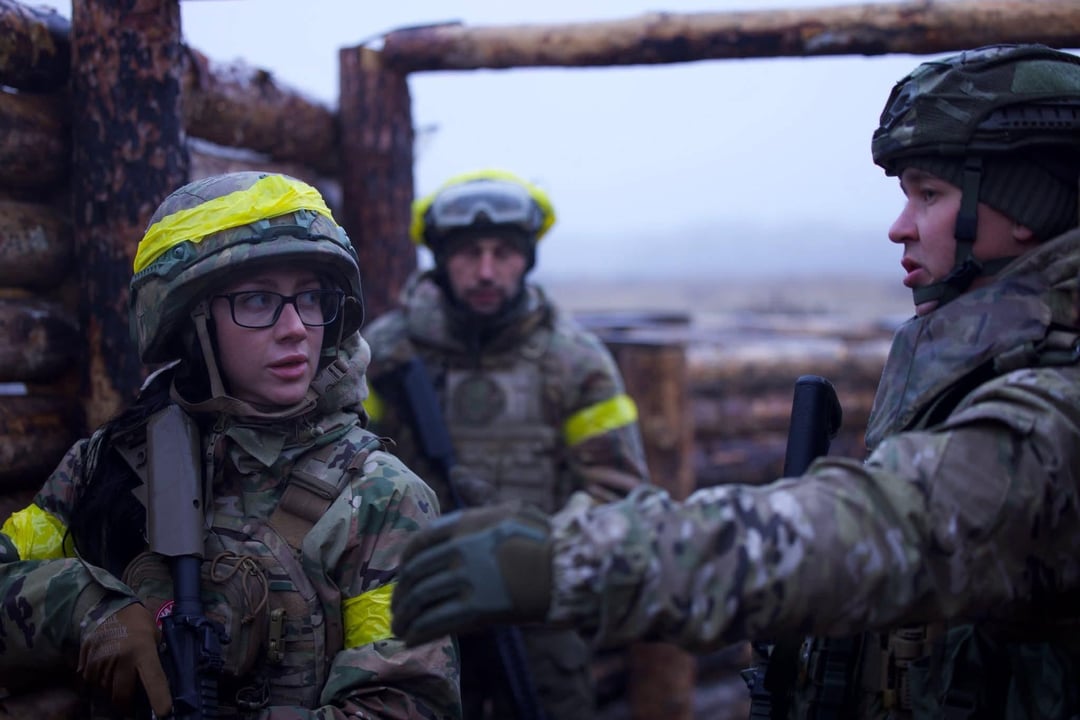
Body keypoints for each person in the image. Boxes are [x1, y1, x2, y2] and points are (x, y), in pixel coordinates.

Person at [389, 43, 1080, 718]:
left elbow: (876, 527)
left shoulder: (1057, 405)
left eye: (929, 194)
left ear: (1025, 203)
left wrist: (558, 561)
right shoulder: (979, 353)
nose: (899, 228)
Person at [0, 171, 461, 719]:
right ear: (194, 321)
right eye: (260, 300)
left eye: (311, 298)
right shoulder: (110, 461)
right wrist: (82, 607)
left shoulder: (380, 495)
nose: (295, 328)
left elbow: (407, 703)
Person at [361, 168, 650, 719]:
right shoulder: (385, 353)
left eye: (504, 252)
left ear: (528, 258)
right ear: (442, 259)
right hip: (416, 614)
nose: (487, 271)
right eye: (470, 253)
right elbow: (341, 473)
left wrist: (539, 561)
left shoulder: (574, 360)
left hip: (538, 620)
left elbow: (620, 490)